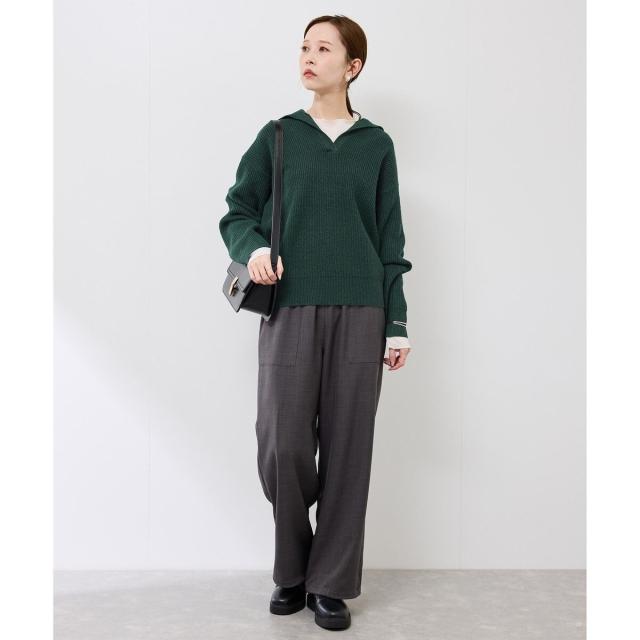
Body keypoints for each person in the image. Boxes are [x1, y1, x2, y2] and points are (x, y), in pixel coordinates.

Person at [219, 14, 412, 631]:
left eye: (323, 48)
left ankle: (329, 584)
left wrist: (397, 321)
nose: (309, 56)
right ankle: (293, 566)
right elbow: (238, 210)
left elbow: (390, 239)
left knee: (350, 449)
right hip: (291, 306)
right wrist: (253, 248)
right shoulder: (279, 135)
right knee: (283, 444)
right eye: (304, 46)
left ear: (352, 66)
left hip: (362, 308)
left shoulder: (376, 144)